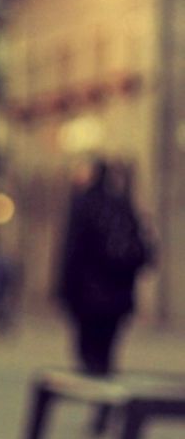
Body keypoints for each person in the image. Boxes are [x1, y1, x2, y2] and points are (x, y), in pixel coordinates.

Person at [56, 159, 152, 376]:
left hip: (86, 296)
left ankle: (98, 389)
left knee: (88, 351)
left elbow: (72, 250)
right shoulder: (122, 204)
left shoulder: (83, 204)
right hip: (118, 296)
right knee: (106, 352)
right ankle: (104, 395)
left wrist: (64, 290)